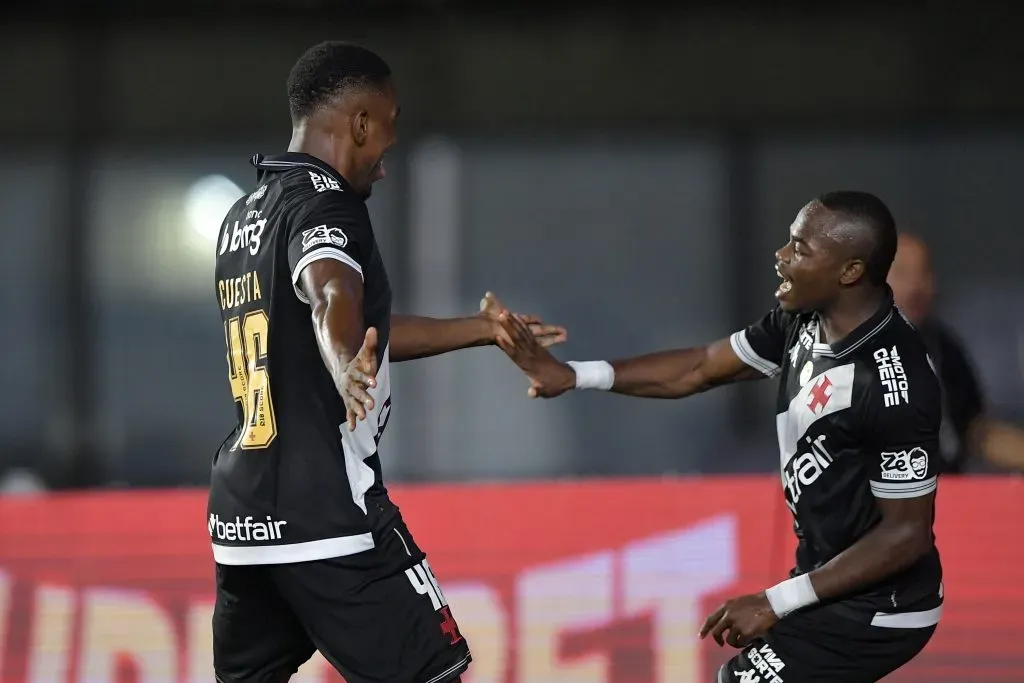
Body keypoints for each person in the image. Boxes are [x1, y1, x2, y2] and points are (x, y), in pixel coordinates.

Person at [209, 41, 565, 683]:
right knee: (434, 673)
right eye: (389, 135)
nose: (385, 162)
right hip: (330, 517)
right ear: (362, 123)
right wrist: (346, 361)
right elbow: (330, 294)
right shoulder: (327, 205)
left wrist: (482, 329)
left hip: (243, 521)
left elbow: (353, 321)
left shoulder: (244, 214)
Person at [496, 191, 943, 682]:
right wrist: (574, 375)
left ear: (849, 272)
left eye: (800, 249)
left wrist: (775, 601)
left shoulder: (895, 382)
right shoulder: (802, 322)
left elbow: (906, 534)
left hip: (883, 607)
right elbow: (700, 367)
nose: (781, 256)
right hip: (827, 582)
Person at [888, 233, 1024, 472]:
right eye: (902, 274)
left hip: (949, 492)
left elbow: (976, 432)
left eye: (924, 273)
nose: (915, 286)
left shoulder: (942, 346)